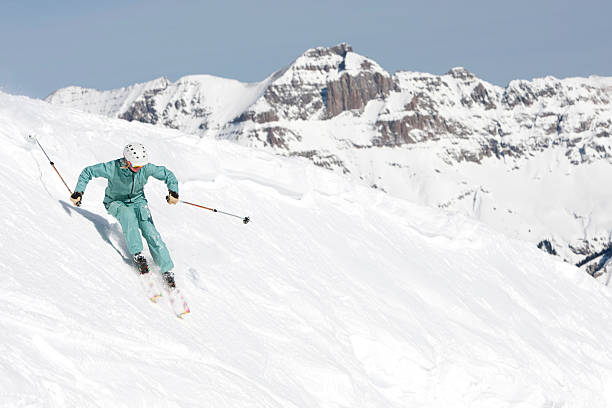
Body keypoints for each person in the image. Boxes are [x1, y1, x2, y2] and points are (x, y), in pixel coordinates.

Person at [70, 143, 180, 289]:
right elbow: (88, 172)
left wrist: (173, 191)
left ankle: (167, 270)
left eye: (140, 166)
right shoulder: (112, 168)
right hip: (115, 202)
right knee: (129, 218)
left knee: (151, 232)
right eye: (135, 166)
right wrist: (79, 192)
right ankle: (138, 255)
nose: (138, 169)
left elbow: (167, 174)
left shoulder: (144, 167)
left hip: (138, 202)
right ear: (126, 161)